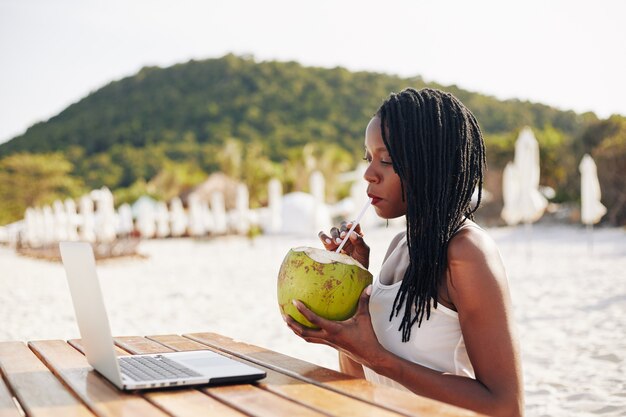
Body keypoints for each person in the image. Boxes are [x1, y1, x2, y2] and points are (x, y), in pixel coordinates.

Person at [284, 88, 524, 416]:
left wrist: (380, 359)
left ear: (431, 164)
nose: (369, 174)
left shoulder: (467, 252)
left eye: (387, 160)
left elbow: (506, 407)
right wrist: (350, 295)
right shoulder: (400, 247)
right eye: (368, 158)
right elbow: (359, 380)